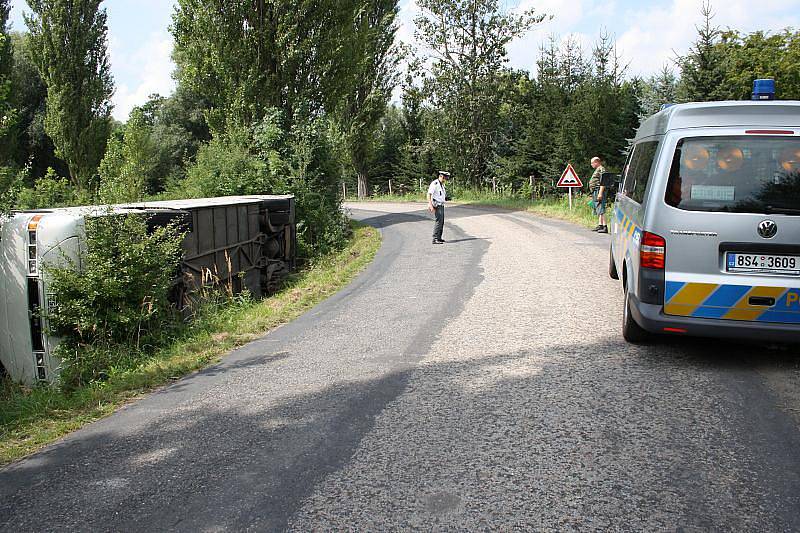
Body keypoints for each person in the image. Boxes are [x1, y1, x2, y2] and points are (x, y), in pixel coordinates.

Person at [427, 171, 450, 244]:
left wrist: (446, 198)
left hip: (441, 205)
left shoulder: (441, 185)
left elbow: (440, 194)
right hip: (437, 205)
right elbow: (429, 194)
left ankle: (439, 237)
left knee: (441, 222)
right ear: (442, 177)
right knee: (438, 221)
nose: (446, 180)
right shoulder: (435, 183)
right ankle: (435, 238)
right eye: (445, 178)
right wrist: (430, 204)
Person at [588, 157, 608, 233]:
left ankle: (605, 227)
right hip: (595, 191)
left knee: (601, 208)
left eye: (592, 163)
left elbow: (603, 181)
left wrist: (600, 193)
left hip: (599, 191)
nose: (591, 165)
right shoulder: (598, 169)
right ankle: (600, 225)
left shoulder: (601, 169)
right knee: (598, 207)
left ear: (597, 162)